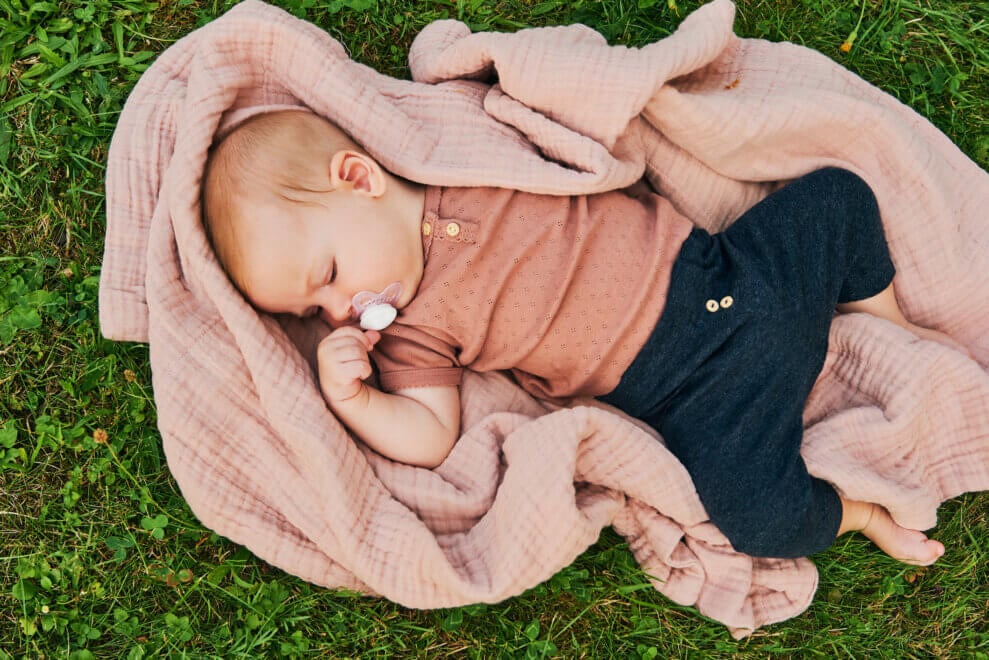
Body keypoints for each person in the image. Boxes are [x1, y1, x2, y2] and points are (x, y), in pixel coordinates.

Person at [202, 108, 951, 565]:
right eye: (314, 313)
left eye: (328, 274)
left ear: (359, 178)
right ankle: (863, 516)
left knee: (835, 197)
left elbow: (559, 126)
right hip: (697, 395)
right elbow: (431, 436)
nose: (339, 310)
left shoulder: (462, 164)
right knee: (759, 518)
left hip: (725, 272)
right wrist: (353, 398)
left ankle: (889, 330)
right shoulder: (411, 335)